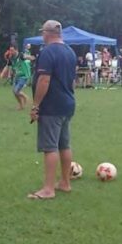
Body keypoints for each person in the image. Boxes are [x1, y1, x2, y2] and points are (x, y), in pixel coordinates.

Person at [28, 20, 77, 200]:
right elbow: (72, 81)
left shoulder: (47, 52)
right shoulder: (70, 52)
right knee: (64, 144)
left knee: (50, 147)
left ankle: (48, 189)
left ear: (48, 33)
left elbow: (44, 80)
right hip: (67, 104)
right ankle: (65, 182)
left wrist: (35, 105)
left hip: (52, 106)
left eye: (43, 33)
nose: (42, 36)